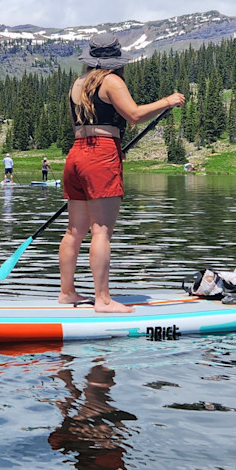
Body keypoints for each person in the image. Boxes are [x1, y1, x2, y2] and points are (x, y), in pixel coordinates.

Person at [60, 37, 184, 313]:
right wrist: (168, 101)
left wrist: (111, 147)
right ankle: (103, 300)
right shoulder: (112, 81)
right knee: (101, 231)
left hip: (77, 153)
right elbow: (134, 115)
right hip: (100, 155)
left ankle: (67, 293)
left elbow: (80, 126)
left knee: (74, 230)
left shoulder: (78, 84)